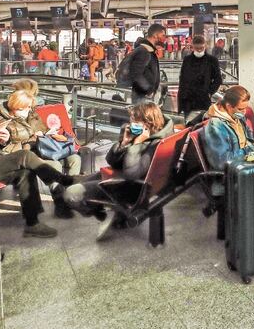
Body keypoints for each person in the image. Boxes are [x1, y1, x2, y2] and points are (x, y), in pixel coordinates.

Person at [0, 88, 73, 238]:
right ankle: (63, 181)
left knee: (24, 171)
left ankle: (33, 223)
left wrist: (1, 139)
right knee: (24, 156)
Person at [64, 102, 173, 239]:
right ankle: (110, 213)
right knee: (77, 184)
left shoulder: (153, 144)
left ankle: (101, 213)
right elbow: (111, 160)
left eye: (134, 121)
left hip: (124, 187)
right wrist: (124, 143)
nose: (130, 124)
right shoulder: (157, 133)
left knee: (70, 194)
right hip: (121, 177)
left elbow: (132, 174)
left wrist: (137, 145)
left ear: (147, 123)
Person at [202, 86, 254, 194]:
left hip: (246, 163)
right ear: (229, 106)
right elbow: (221, 162)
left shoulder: (237, 117)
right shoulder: (215, 126)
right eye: (240, 109)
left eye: (245, 108)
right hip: (232, 175)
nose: (244, 112)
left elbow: (248, 140)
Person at [177, 35, 222, 122]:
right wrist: (182, 99)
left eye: (201, 48)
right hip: (188, 101)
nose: (199, 50)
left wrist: (209, 92)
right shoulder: (187, 60)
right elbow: (182, 79)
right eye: (197, 48)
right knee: (190, 127)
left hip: (203, 99)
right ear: (192, 47)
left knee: (203, 126)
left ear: (205, 46)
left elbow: (218, 79)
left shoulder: (211, 60)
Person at [118, 24, 165, 103]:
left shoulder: (147, 50)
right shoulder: (144, 51)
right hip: (142, 96)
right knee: (142, 114)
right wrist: (148, 90)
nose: (164, 38)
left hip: (143, 94)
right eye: (163, 35)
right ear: (155, 35)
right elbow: (136, 73)